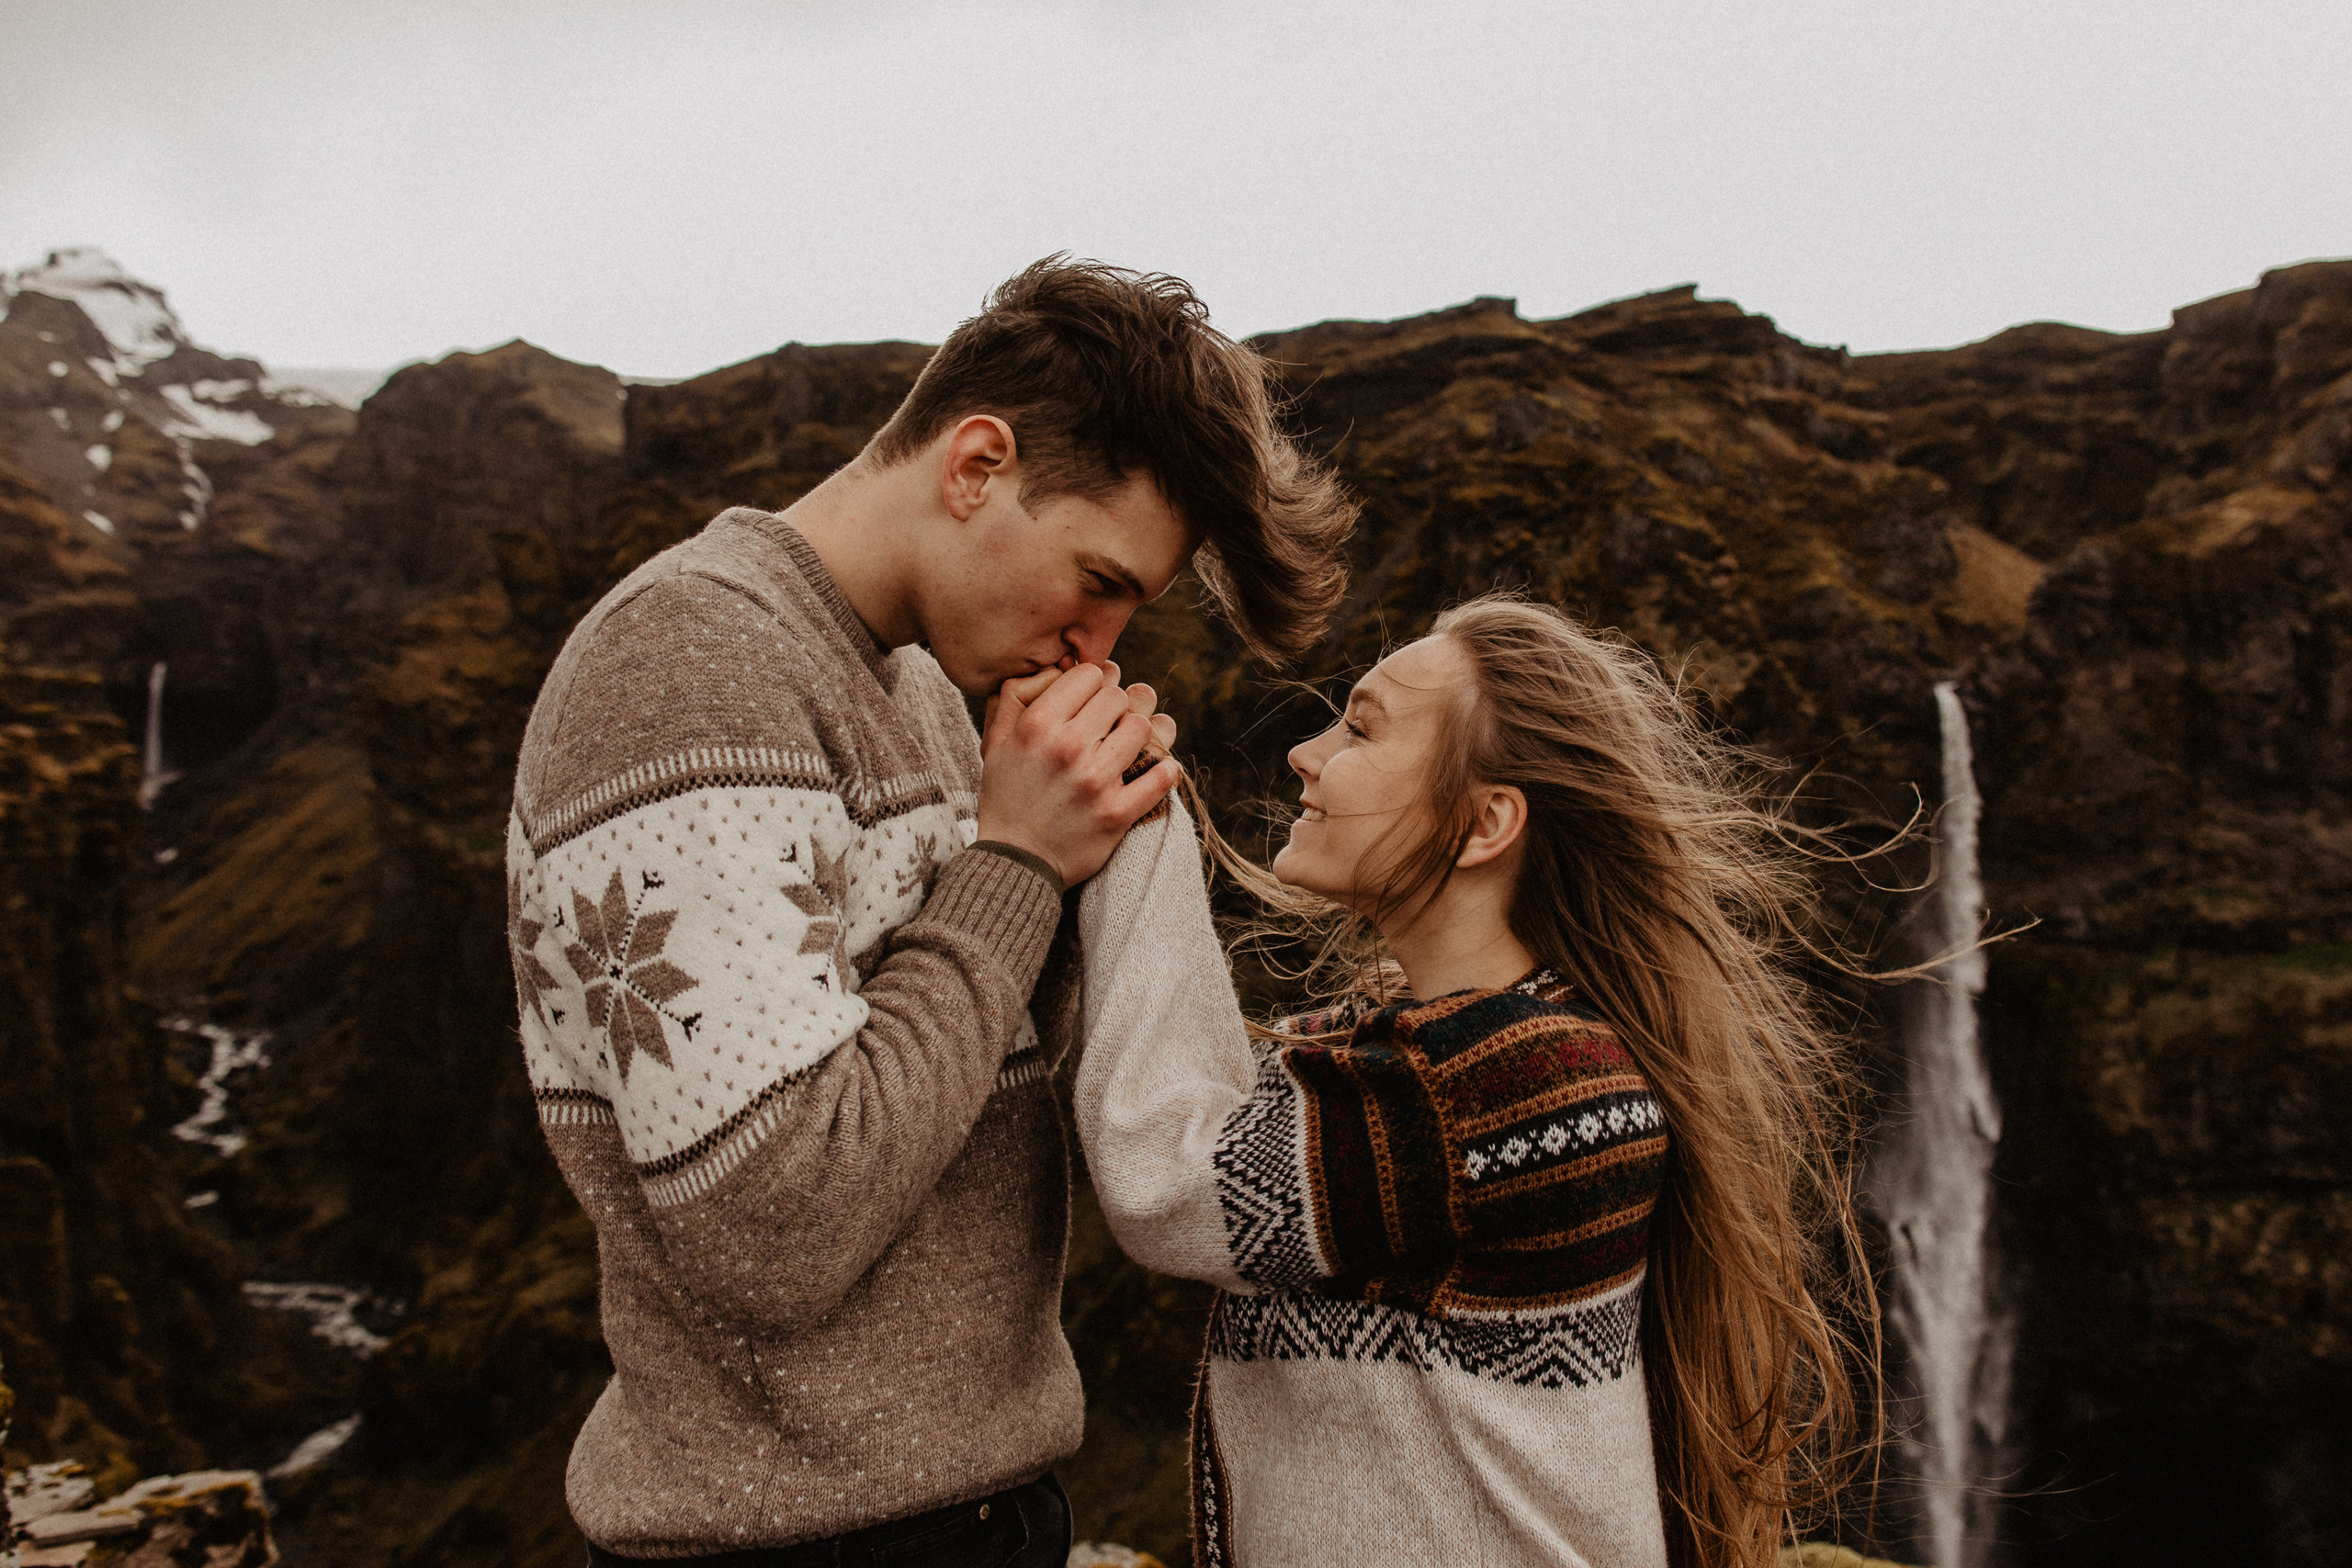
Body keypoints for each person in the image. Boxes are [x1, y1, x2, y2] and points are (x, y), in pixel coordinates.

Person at [503, 256, 1355, 1565]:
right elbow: (773, 1223)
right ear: (976, 464)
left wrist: (1087, 865)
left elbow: (975, 1075)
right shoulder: (691, 666)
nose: (1100, 643)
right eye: (1099, 576)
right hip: (795, 1534)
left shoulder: (909, 685)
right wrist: (1018, 863)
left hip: (963, 1505)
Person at [1071, 594, 1872, 1568]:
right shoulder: (1433, 1058)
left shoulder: (1519, 1083)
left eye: (1360, 728)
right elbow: (1206, 1098)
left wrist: (1128, 805)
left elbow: (1170, 1174)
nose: (1306, 753)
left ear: (1485, 821)